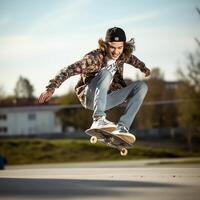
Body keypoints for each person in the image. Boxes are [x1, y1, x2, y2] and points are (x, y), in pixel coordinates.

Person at [39, 27, 150, 140]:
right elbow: (68, 70)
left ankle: (122, 129)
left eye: (119, 48)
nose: (116, 52)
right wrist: (51, 88)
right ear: (105, 45)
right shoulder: (93, 58)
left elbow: (133, 59)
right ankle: (98, 119)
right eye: (112, 47)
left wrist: (144, 68)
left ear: (123, 46)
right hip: (89, 97)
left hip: (106, 99)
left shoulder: (122, 56)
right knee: (106, 73)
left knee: (141, 87)